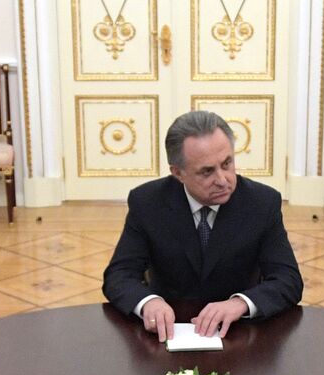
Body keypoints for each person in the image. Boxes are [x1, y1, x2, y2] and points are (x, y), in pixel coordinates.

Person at [102, 110, 303, 342]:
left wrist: (241, 303)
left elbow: (288, 279)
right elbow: (119, 275)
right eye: (207, 171)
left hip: (238, 334)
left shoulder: (262, 203)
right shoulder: (147, 202)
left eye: (227, 163)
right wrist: (149, 302)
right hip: (169, 332)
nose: (222, 179)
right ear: (178, 173)